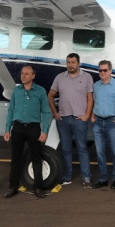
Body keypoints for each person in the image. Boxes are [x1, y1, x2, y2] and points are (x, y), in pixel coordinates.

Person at [3, 65, 52, 198]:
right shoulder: (16, 91)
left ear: (33, 76)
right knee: (15, 159)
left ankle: (38, 187)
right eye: (22, 74)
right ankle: (12, 187)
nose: (23, 76)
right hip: (18, 127)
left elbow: (46, 112)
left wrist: (45, 131)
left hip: (33, 128)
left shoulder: (41, 91)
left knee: (36, 158)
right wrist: (7, 129)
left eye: (26, 74)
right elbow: (11, 110)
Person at [49, 53, 94, 187]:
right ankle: (67, 177)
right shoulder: (59, 77)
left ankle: (86, 177)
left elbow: (90, 98)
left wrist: (86, 116)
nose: (70, 65)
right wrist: (55, 113)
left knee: (82, 148)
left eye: (73, 62)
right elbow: (50, 95)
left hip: (79, 119)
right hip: (63, 120)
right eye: (68, 62)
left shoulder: (86, 77)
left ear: (78, 63)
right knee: (66, 149)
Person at [91, 60, 115, 190]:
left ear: (110, 71)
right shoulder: (96, 85)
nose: (102, 73)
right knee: (100, 152)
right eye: (100, 70)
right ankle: (103, 179)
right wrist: (93, 116)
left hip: (112, 122)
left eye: (105, 70)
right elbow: (94, 101)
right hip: (98, 122)